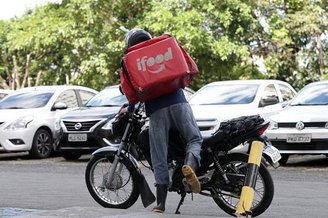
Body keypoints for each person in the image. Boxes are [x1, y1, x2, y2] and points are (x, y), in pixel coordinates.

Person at [120, 28, 203, 213]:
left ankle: (161, 204)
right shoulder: (163, 47)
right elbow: (188, 65)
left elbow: (131, 93)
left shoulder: (132, 60)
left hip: (156, 111)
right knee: (194, 139)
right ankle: (189, 165)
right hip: (179, 103)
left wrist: (130, 108)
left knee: (159, 155)